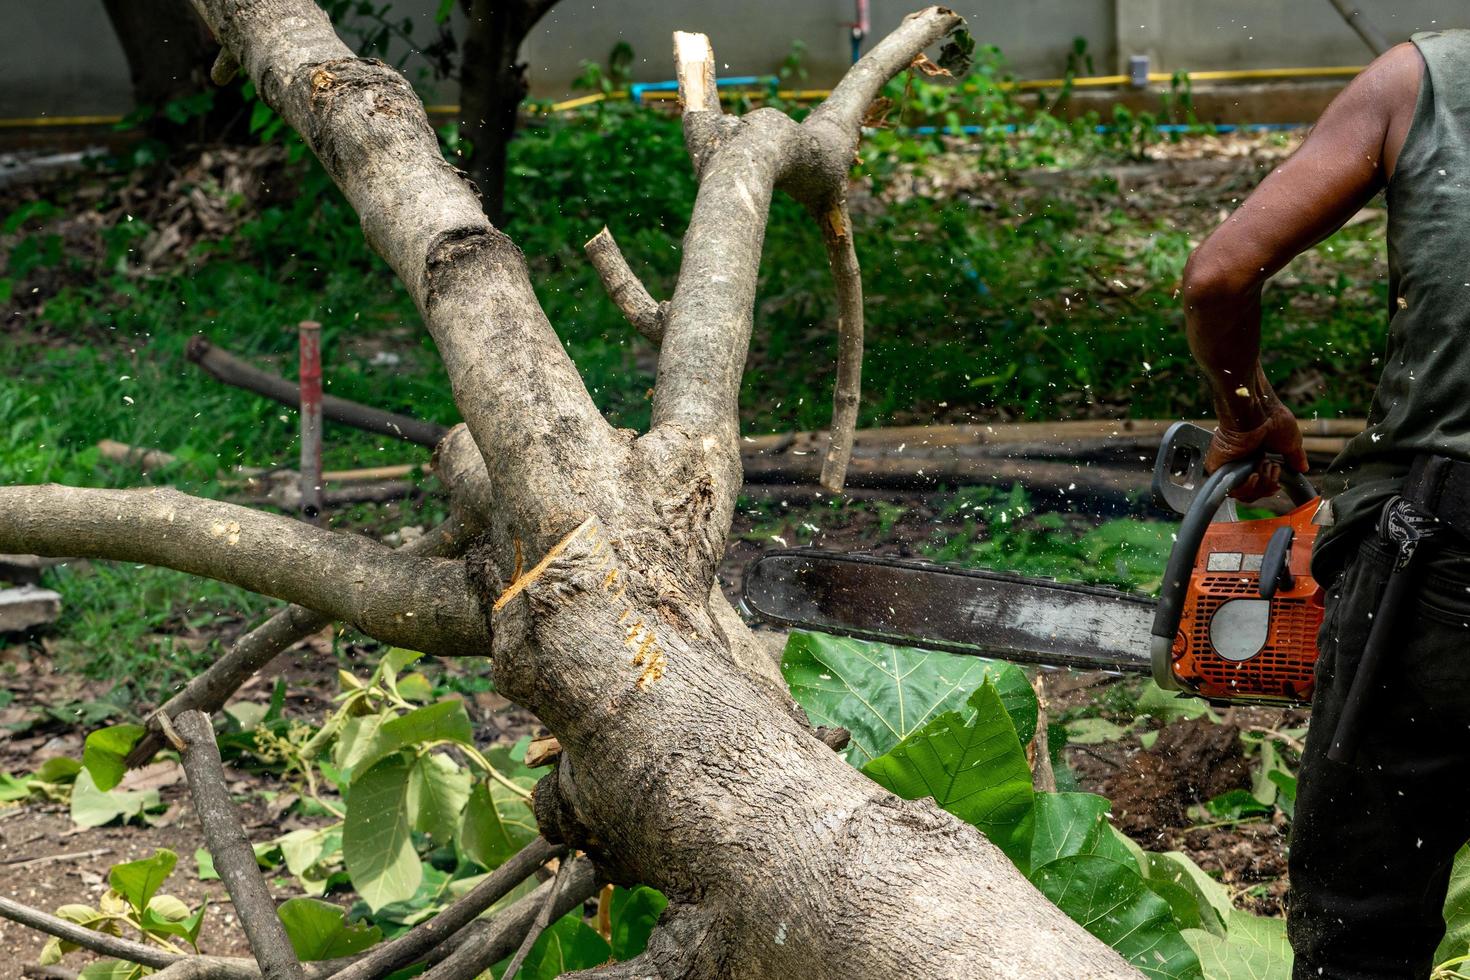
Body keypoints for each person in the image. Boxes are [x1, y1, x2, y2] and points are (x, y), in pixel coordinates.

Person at [1183, 30, 1470, 979]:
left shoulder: (1422, 78)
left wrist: (1246, 411)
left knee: (1364, 928)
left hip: (1444, 549)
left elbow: (1219, 276)